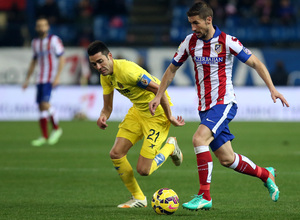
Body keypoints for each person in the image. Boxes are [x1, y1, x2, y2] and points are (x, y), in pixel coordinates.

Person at [149, 1, 289, 211]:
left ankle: (204, 195)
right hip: (205, 108)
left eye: (196, 23)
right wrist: (158, 95)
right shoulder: (189, 42)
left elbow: (256, 63)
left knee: (198, 138)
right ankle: (265, 173)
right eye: (190, 24)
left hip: (224, 103)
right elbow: (171, 70)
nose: (193, 28)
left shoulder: (228, 41)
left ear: (209, 20)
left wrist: (272, 88)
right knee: (227, 158)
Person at [87, 40, 185, 208]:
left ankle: (170, 146)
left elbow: (159, 90)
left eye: (100, 61)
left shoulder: (127, 71)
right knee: (116, 153)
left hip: (157, 114)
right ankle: (138, 198)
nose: (98, 66)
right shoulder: (106, 76)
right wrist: (103, 116)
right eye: (94, 64)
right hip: (138, 112)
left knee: (144, 170)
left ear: (109, 56)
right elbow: (107, 107)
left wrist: (170, 116)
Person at [23, 17, 65, 147]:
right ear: (36, 28)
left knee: (45, 103)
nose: (42, 28)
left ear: (48, 27)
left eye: (44, 25)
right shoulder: (35, 42)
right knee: (41, 107)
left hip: (50, 77)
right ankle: (44, 136)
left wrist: (57, 77)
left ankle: (57, 129)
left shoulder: (54, 40)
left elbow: (62, 58)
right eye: (39, 25)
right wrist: (27, 79)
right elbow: (34, 61)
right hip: (40, 78)